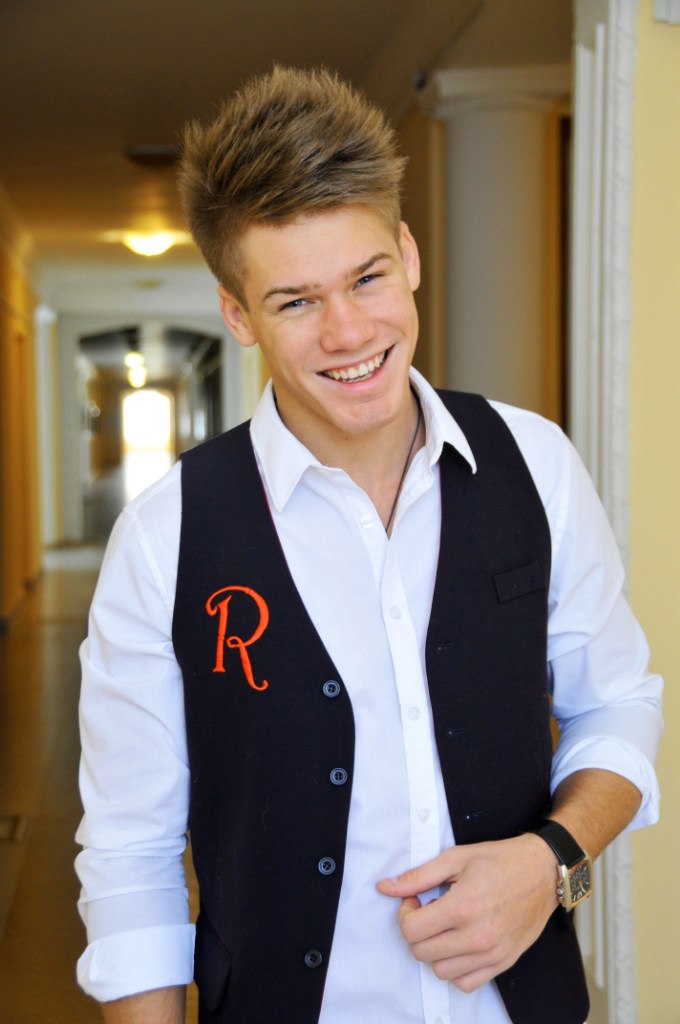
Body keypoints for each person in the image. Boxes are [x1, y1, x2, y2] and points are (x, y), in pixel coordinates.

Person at [75, 66, 662, 1024]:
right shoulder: (164, 536)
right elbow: (129, 857)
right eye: (295, 301)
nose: (349, 332)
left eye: (366, 277)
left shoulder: (536, 464)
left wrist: (553, 861)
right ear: (238, 315)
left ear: (409, 254)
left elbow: (619, 703)